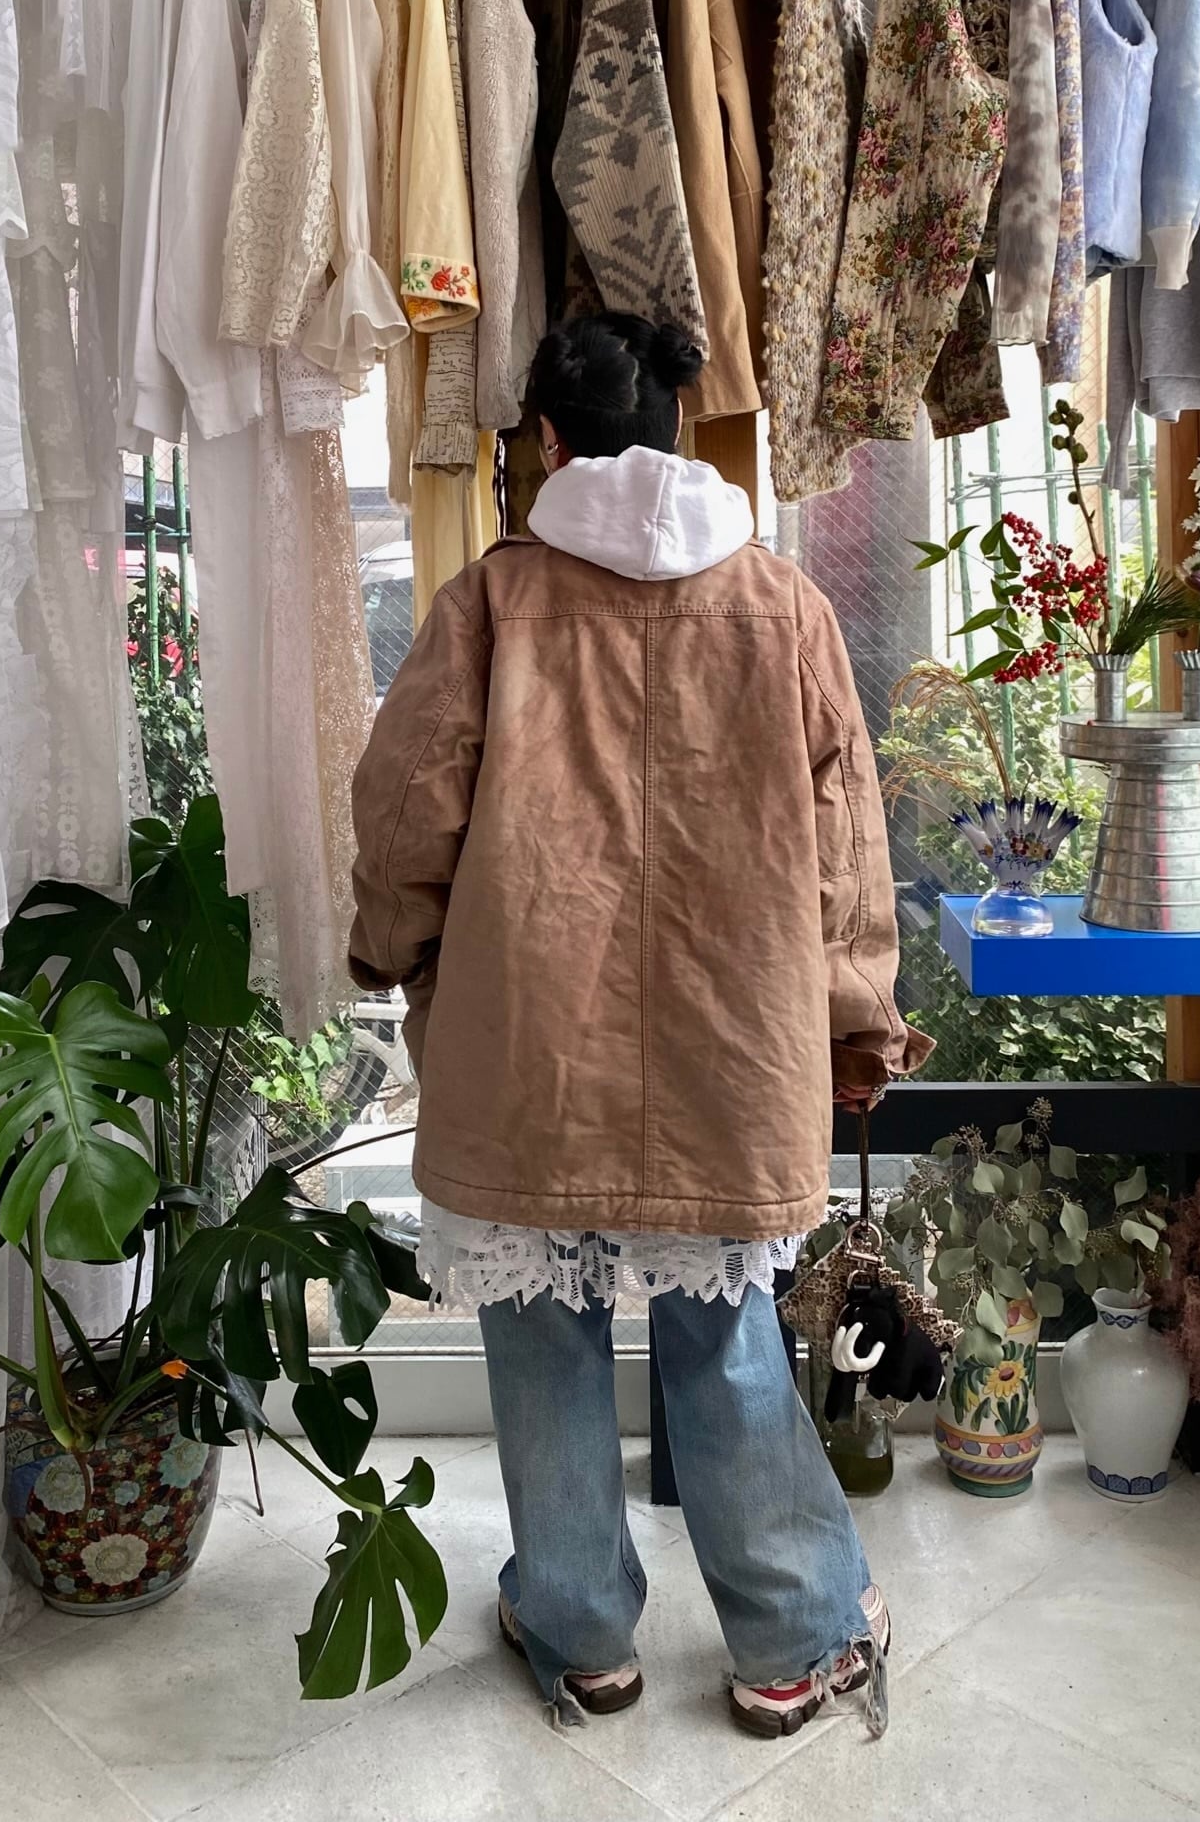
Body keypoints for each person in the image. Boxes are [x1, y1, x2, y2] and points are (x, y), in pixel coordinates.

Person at [348, 312, 931, 1738]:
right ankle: (791, 1640)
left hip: (528, 1044)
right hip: (735, 1048)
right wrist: (859, 1021)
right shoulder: (783, 606)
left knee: (539, 1330)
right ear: (679, 431)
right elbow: (848, 849)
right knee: (725, 1335)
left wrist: (392, 949)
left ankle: (580, 1631)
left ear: (548, 443)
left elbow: (408, 806)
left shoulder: (491, 606)